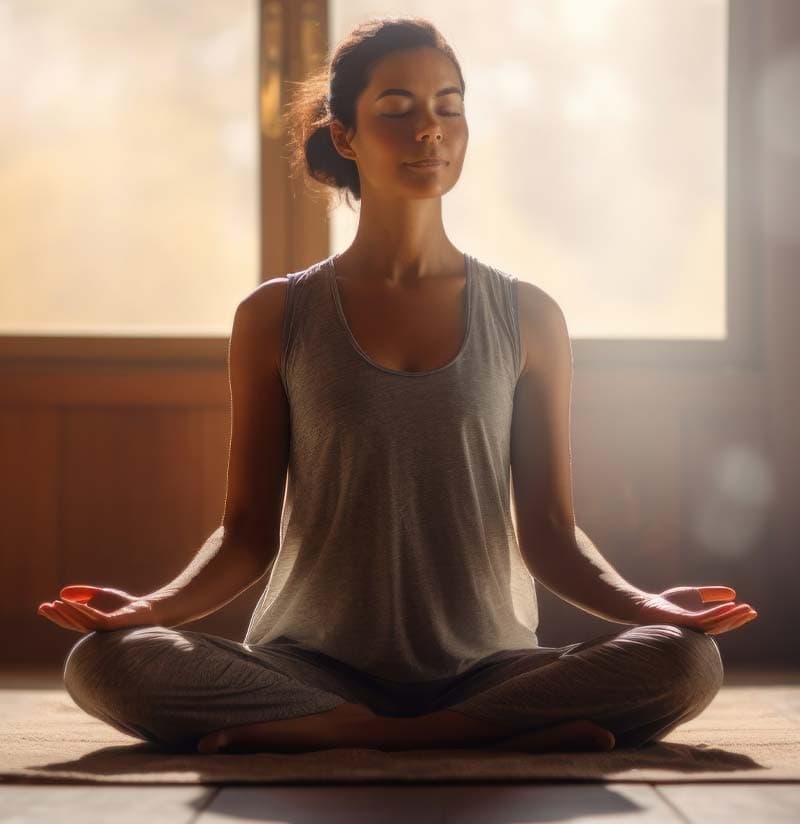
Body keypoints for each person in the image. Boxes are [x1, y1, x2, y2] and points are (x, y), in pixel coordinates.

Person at [38, 16, 757, 757]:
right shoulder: (274, 316)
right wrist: (147, 610)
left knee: (685, 659)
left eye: (449, 106)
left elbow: (548, 531)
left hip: (484, 668)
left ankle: (354, 736)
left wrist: (647, 605)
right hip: (308, 666)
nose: (430, 130)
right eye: (398, 108)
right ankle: (461, 736)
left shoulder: (528, 316)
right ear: (344, 134)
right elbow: (247, 532)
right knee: (103, 663)